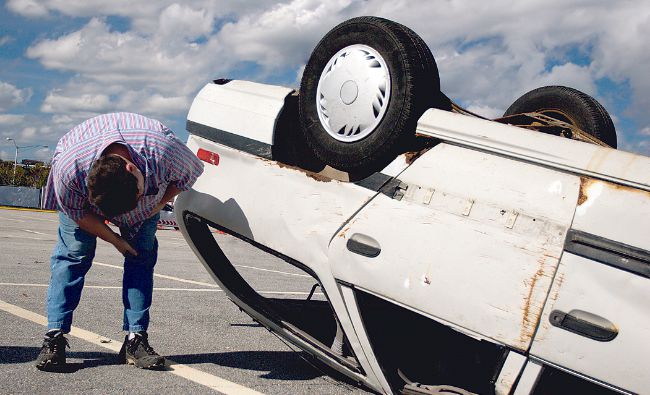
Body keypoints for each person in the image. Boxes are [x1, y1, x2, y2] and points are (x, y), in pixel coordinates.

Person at [35, 112, 204, 370]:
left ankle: (136, 340)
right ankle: (54, 337)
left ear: (132, 168)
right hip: (88, 198)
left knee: (140, 258)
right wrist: (115, 239)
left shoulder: (164, 150)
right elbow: (78, 214)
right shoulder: (69, 168)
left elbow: (190, 174)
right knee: (74, 255)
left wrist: (157, 203)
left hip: (148, 204)